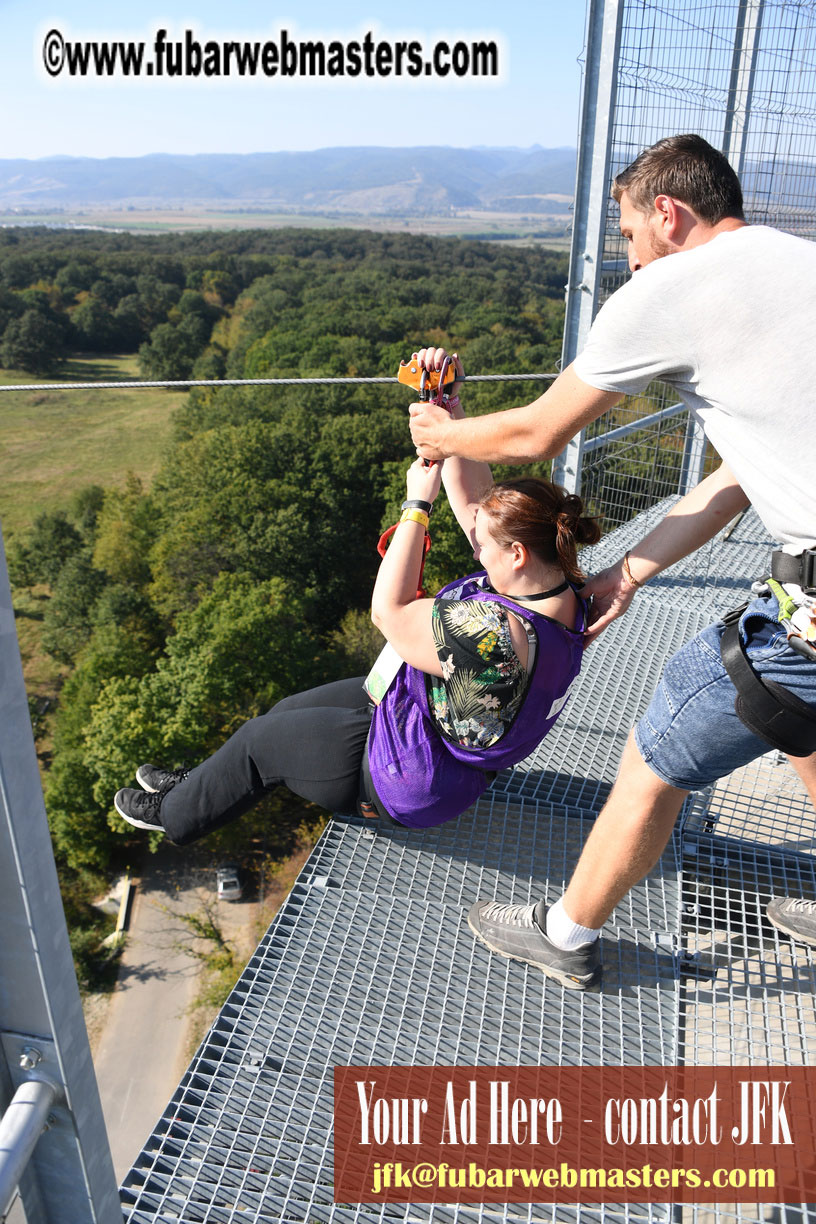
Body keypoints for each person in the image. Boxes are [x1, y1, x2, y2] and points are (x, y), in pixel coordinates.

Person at [408, 134, 816, 988]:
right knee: (804, 726)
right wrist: (630, 570)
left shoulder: (676, 283)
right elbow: (744, 476)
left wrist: (440, 435)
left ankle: (564, 933)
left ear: (667, 214)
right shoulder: (796, 265)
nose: (628, 263)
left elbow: (538, 431)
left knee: (659, 743)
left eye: (627, 237)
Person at [114, 373, 600, 856]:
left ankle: (174, 814)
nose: (477, 553)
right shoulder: (569, 592)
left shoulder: (495, 638)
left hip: (410, 774)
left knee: (259, 742)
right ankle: (197, 785)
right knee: (285, 713)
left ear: (517, 553)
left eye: (487, 549)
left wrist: (416, 505)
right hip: (425, 712)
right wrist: (447, 417)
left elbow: (389, 612)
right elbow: (475, 505)